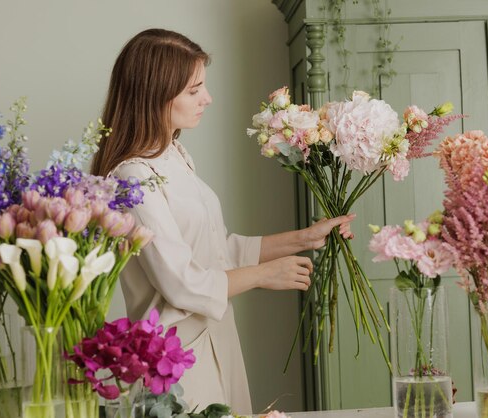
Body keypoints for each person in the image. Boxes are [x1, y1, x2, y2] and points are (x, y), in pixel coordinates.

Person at [90, 28, 355, 414]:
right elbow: (182, 282)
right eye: (194, 90)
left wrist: (305, 237)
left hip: (215, 340)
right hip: (174, 359)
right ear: (155, 95)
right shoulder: (134, 178)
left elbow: (219, 249)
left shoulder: (175, 156)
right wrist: (266, 275)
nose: (207, 99)